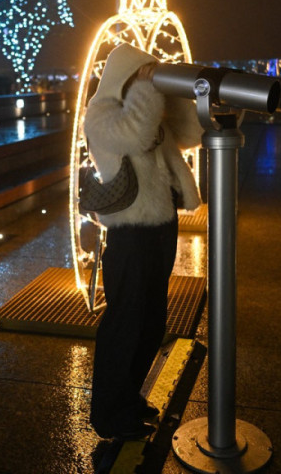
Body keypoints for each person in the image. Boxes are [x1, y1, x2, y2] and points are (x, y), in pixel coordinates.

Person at [84, 43, 202, 440]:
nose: (150, 78)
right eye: (143, 72)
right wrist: (148, 89)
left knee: (153, 322)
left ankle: (128, 398)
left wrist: (187, 96)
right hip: (129, 232)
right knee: (125, 322)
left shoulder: (151, 111)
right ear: (124, 77)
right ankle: (108, 414)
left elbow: (188, 135)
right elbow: (134, 135)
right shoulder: (101, 115)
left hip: (160, 224)